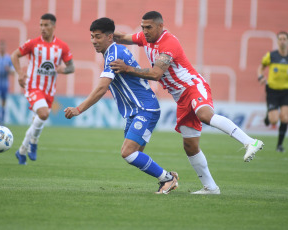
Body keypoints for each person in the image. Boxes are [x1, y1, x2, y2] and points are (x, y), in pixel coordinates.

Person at [110, 11, 264, 195]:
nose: (145, 31)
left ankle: (250, 142)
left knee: (204, 115)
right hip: (181, 98)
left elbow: (156, 74)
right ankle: (211, 187)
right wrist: (104, 33)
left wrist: (127, 68)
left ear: (160, 26)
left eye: (149, 27)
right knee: (190, 145)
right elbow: (122, 37)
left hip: (192, 87)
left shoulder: (168, 43)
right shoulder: (145, 37)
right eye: (143, 27)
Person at [64, 17, 178, 194]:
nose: (94, 41)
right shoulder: (112, 52)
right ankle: (168, 176)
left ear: (110, 37)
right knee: (134, 153)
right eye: (92, 37)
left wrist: (78, 109)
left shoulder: (114, 53)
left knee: (128, 152)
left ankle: (167, 179)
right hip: (135, 110)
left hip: (145, 108)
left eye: (98, 37)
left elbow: (102, 88)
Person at [11, 13, 75, 165]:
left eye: (46, 25)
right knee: (44, 113)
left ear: (53, 26)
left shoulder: (62, 46)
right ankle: (34, 142)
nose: (43, 28)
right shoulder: (33, 44)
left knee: (37, 121)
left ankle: (21, 151)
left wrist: (62, 70)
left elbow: (71, 67)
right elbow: (15, 55)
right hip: (33, 87)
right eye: (41, 25)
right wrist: (20, 73)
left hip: (49, 91)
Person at [258, 31, 288, 153]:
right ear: (277, 41)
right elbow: (261, 66)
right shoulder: (271, 56)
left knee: (285, 118)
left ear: (287, 41)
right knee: (274, 120)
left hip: (285, 91)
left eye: (284, 39)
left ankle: (279, 145)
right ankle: (269, 115)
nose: (282, 41)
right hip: (272, 92)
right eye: (280, 39)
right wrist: (261, 77)